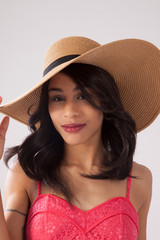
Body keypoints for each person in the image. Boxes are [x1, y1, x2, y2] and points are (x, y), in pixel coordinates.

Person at [0, 36, 160, 240]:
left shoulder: (139, 179)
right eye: (58, 98)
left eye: (83, 95)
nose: (70, 112)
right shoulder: (28, 174)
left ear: (105, 100)